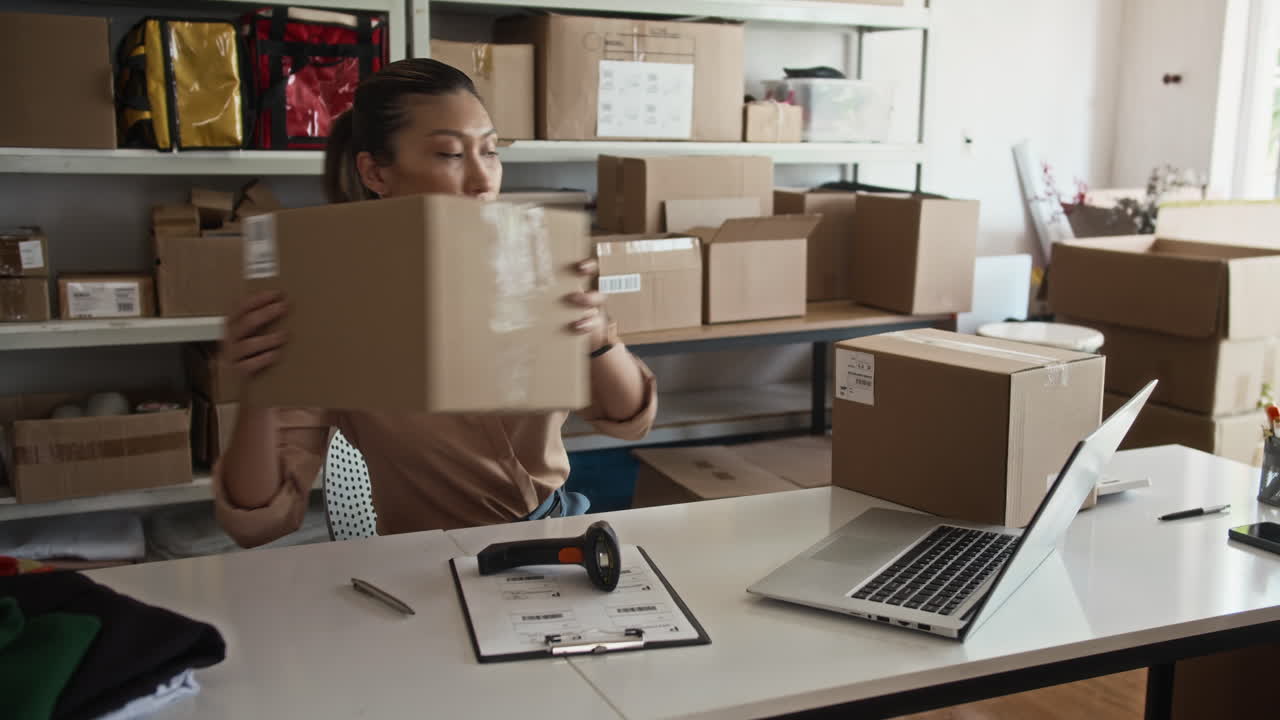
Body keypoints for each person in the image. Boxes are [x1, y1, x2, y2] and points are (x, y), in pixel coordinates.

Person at [213, 59, 656, 547]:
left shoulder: (530, 261)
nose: (483, 180)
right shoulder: (331, 305)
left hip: (557, 538)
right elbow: (258, 519)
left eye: (490, 151)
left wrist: (598, 337)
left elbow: (630, 417)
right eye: (450, 154)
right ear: (375, 172)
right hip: (423, 561)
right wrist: (259, 392)